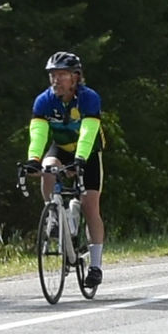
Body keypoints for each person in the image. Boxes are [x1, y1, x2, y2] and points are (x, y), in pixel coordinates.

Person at [24, 51, 106, 287]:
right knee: (47, 168)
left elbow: (89, 132)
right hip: (60, 148)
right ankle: (53, 214)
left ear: (75, 77)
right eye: (52, 75)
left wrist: (79, 159)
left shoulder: (89, 98)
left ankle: (95, 266)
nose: (56, 80)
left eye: (62, 75)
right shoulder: (44, 101)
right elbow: (38, 133)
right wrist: (33, 158)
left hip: (88, 152)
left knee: (90, 206)